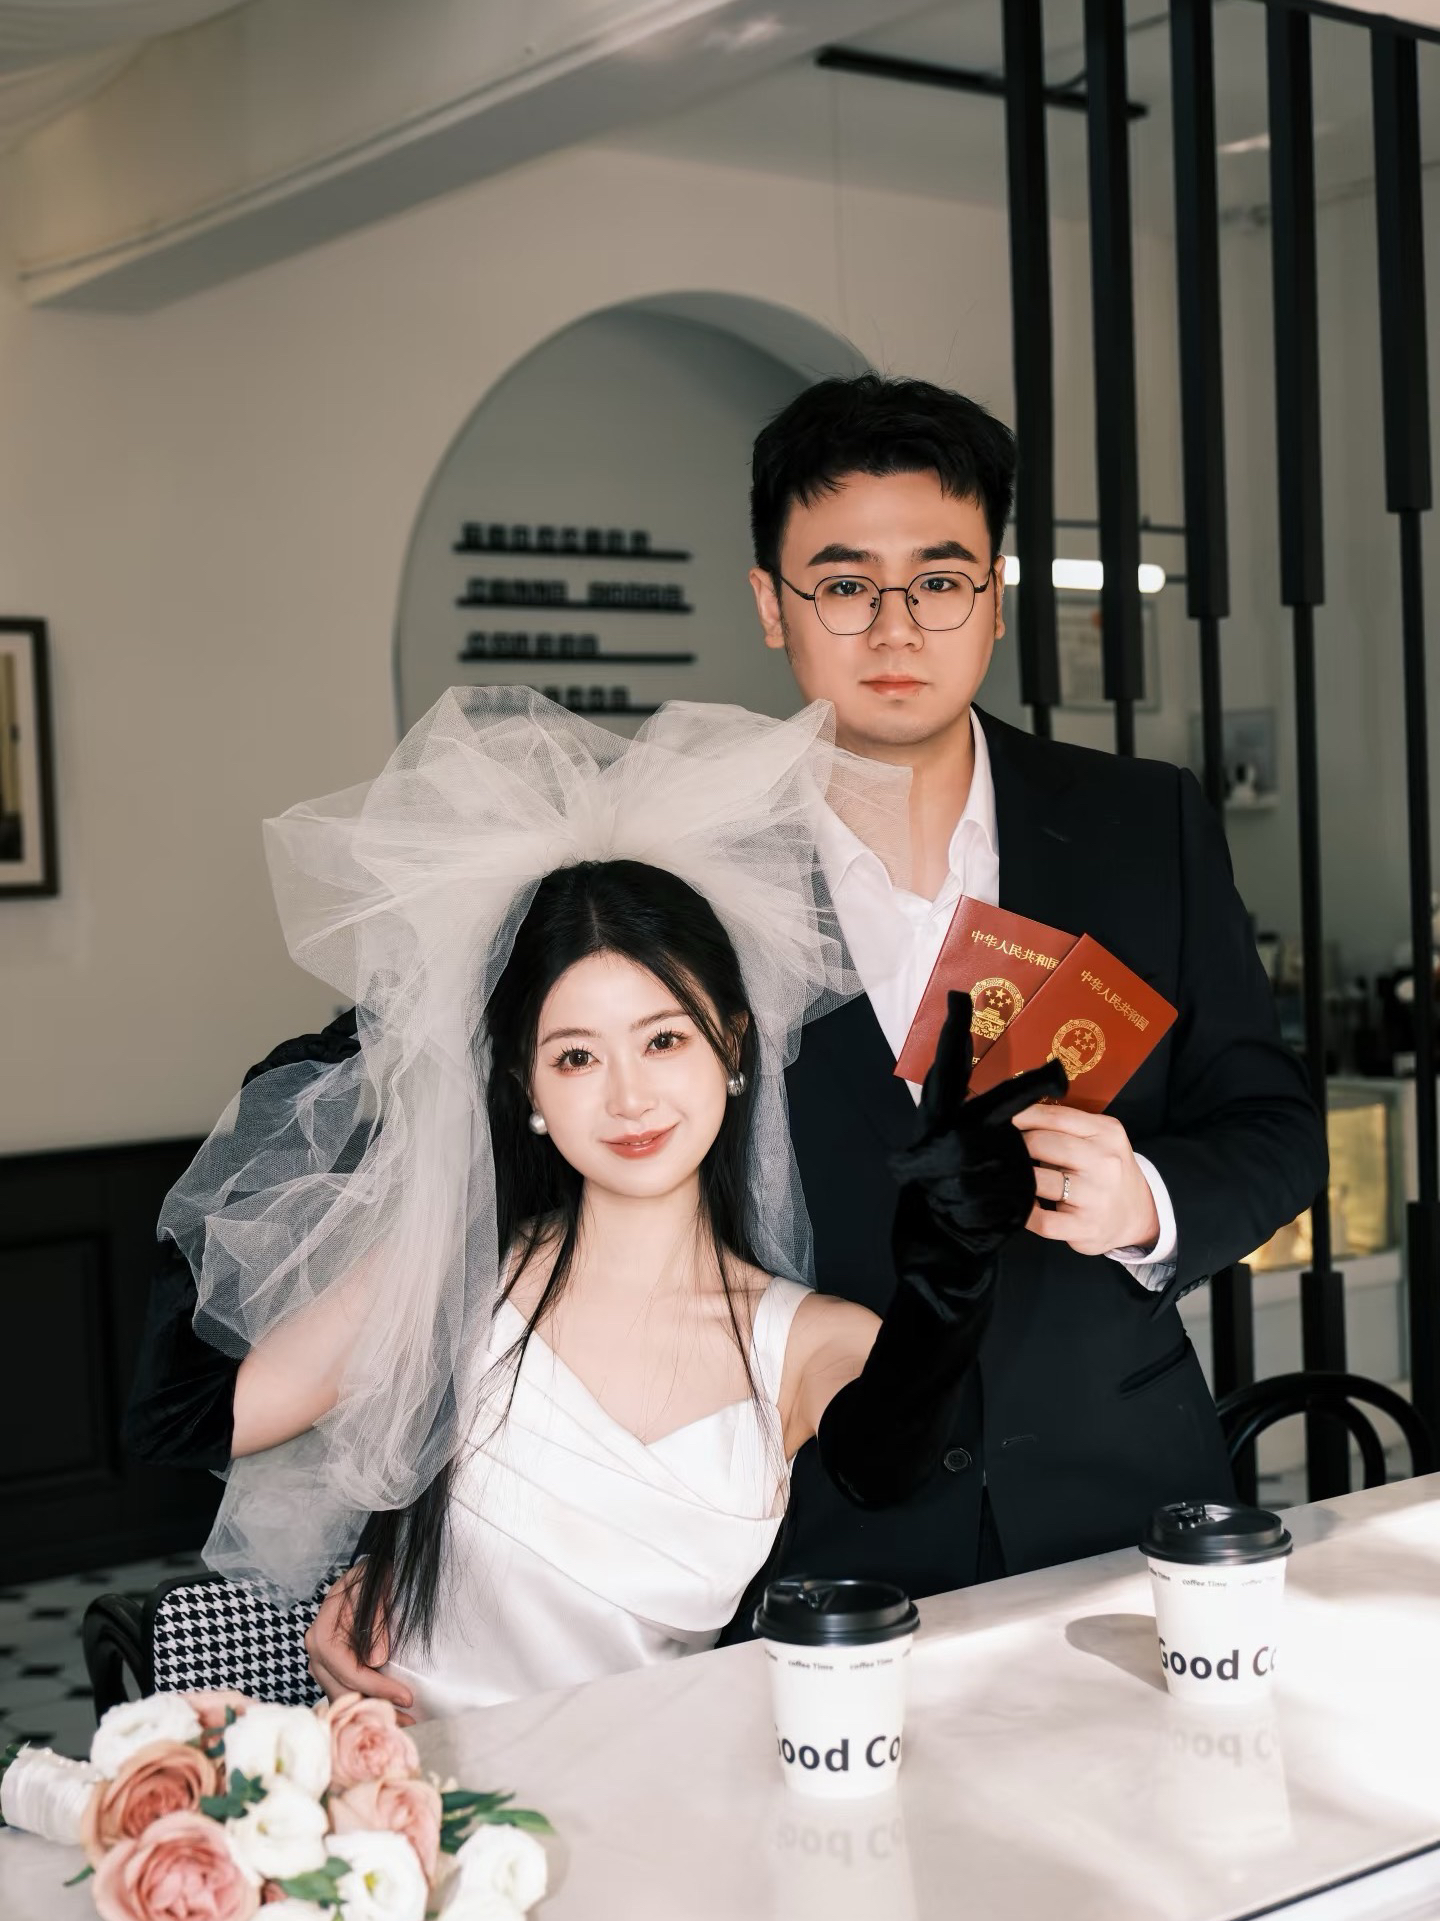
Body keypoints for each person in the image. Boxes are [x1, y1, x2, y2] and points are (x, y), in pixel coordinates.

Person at [130, 374, 1327, 1703]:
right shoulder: (685, 851)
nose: (895, 626)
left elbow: (1275, 1127)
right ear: (772, 603)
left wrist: (1145, 1197)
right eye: (843, 584)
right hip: (815, 1544)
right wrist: (415, 1550)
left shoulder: (1140, 823)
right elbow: (461, 1104)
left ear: (995, 593)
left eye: (939, 581)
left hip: (1121, 1497)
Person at [129, 689, 1059, 1715]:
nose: (629, 1097)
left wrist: (951, 1273)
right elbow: (182, 1420)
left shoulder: (805, 1343)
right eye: (576, 1055)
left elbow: (889, 1460)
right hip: (420, 1788)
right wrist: (306, 1086)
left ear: (732, 1043)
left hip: (660, 1789)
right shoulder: (454, 1282)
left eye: (663, 1039)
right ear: (525, 1084)